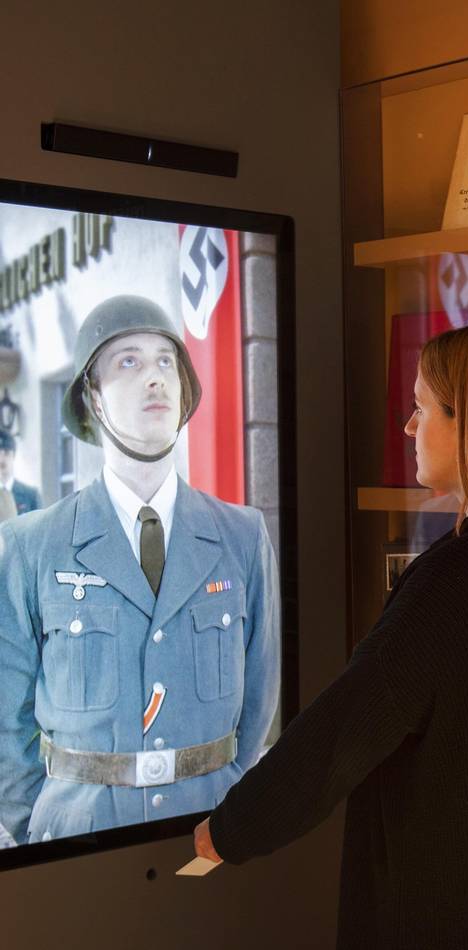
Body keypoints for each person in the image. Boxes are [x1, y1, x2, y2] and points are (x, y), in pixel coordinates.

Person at [194, 323, 468, 950]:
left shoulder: (450, 583)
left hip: (452, 914)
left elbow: (341, 733)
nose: (409, 427)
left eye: (421, 408)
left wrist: (230, 829)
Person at [0, 295, 279, 845]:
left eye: (165, 361)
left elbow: (259, 705)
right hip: (77, 841)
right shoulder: (32, 545)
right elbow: (6, 725)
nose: (154, 377)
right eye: (128, 361)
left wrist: (226, 804)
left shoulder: (241, 536)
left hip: (210, 832)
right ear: (93, 398)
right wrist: (47, 825)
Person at [0, 429, 41, 519]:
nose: (2, 459)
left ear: (13, 456)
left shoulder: (31, 495)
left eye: (6, 453)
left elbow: (39, 529)